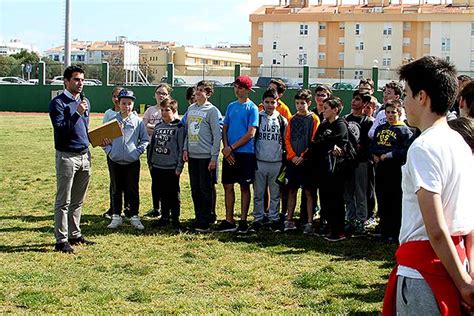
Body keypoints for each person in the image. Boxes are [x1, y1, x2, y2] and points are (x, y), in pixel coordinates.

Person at [383, 56, 474, 315]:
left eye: (408, 95)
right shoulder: (459, 142)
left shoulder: (424, 147)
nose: (405, 103)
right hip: (459, 262)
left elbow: (435, 229)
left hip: (425, 274)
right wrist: (467, 276)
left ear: (422, 97)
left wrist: (463, 284)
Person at [48, 65, 95, 253]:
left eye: (82, 79)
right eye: (76, 79)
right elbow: (60, 129)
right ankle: (61, 240)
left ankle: (75, 234)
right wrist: (76, 112)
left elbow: (83, 128)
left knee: (78, 200)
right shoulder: (58, 103)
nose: (80, 83)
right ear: (66, 82)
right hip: (67, 156)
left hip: (85, 155)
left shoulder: (85, 102)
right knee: (63, 201)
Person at [216, 75, 259, 233]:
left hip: (245, 154)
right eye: (236, 87)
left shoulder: (252, 108)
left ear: (248, 90)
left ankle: (243, 220)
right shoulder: (231, 106)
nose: (237, 90)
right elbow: (225, 128)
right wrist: (226, 148)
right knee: (227, 185)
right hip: (230, 153)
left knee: (244, 186)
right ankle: (229, 219)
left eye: (240, 87)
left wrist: (231, 148)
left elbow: (251, 133)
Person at [103, 89, 149, 230]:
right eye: (124, 103)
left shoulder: (138, 122)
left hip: (132, 161)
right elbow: (104, 140)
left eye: (129, 103)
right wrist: (109, 151)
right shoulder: (112, 120)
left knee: (132, 189)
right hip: (114, 160)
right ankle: (116, 216)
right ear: (119, 103)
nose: (126, 106)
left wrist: (136, 153)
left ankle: (134, 216)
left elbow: (145, 140)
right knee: (116, 189)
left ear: (133, 104)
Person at [370, 100, 413, 242]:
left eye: (393, 112)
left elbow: (405, 150)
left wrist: (389, 155)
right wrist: (375, 155)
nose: (390, 115)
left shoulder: (404, 130)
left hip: (394, 169)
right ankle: (383, 229)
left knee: (394, 200)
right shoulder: (380, 128)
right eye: (387, 112)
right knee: (382, 199)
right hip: (381, 168)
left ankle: (394, 232)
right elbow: (374, 144)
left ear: (399, 113)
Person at [183, 80, 222, 232]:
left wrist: (213, 157)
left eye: (202, 90)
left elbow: (216, 136)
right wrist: (185, 149)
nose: (198, 92)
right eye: (197, 89)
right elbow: (188, 131)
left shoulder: (212, 111)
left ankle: (206, 219)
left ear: (208, 94)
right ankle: (198, 217)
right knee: (195, 189)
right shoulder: (191, 108)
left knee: (206, 189)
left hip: (206, 156)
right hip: (193, 156)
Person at [310, 96, 349, 241]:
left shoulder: (341, 125)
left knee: (336, 199)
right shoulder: (324, 124)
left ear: (335, 109)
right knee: (325, 198)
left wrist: (328, 143)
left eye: (326, 108)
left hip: (336, 170)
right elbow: (316, 142)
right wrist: (328, 143)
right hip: (323, 168)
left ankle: (338, 230)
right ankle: (327, 225)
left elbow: (340, 144)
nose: (323, 111)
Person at [284, 89, 320, 234]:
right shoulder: (292, 119)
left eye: (302, 103)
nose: (299, 106)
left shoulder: (314, 119)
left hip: (307, 162)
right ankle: (289, 220)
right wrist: (293, 156)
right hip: (293, 161)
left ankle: (310, 222)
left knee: (309, 192)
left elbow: (314, 139)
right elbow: (287, 139)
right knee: (291, 190)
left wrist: (303, 156)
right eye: (297, 103)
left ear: (309, 103)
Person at [251, 88, 287, 233]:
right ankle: (258, 218)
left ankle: (274, 218)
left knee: (275, 193)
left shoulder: (282, 120)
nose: (270, 105)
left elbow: (285, 140)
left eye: (273, 102)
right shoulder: (258, 117)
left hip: (276, 161)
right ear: (263, 103)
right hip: (260, 161)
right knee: (259, 193)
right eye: (267, 102)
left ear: (277, 103)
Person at [148, 98, 185, 229]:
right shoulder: (158, 127)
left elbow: (181, 148)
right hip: (158, 166)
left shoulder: (179, 127)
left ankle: (175, 218)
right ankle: (164, 217)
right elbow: (152, 146)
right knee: (162, 192)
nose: (164, 113)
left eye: (167, 110)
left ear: (174, 111)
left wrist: (179, 166)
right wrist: (151, 162)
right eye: (162, 110)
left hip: (172, 167)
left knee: (173, 194)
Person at [343, 90, 373, 235]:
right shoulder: (346, 119)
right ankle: (350, 218)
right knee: (348, 192)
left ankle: (361, 220)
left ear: (365, 104)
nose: (354, 102)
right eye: (353, 99)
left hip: (361, 161)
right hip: (347, 161)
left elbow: (368, 143)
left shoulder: (368, 122)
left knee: (361, 192)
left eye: (358, 100)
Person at [143, 83, 173, 218]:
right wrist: (157, 128)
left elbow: (171, 126)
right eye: (159, 93)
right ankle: (156, 208)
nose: (161, 95)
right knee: (155, 179)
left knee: (167, 180)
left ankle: (169, 208)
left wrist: (153, 128)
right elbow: (144, 127)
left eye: (164, 93)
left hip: (167, 149)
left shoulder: (170, 109)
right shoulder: (150, 111)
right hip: (152, 148)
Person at [102, 86, 131, 219]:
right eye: (115, 96)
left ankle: (128, 207)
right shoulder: (109, 113)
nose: (116, 99)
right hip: (113, 154)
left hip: (128, 155)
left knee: (128, 183)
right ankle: (114, 208)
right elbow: (103, 133)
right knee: (114, 183)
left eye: (119, 96)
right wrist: (109, 150)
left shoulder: (132, 115)